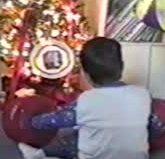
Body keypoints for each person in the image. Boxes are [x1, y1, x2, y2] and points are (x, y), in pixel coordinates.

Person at [18, 37, 152, 159]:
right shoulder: (143, 94)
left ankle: (40, 155)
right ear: (122, 66)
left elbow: (58, 119)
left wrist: (33, 121)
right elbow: (155, 124)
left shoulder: (86, 100)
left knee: (72, 138)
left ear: (86, 75)